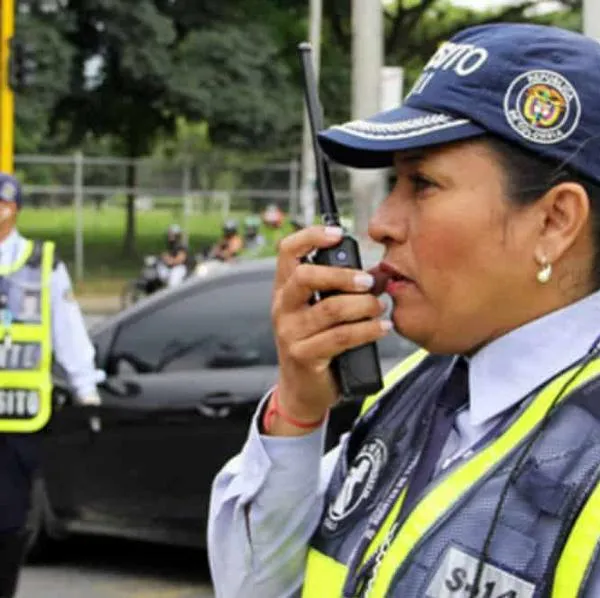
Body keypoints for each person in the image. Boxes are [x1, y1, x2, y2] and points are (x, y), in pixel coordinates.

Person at [207, 23, 600, 598]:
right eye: (395, 182)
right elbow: (254, 588)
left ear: (554, 221)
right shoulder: (417, 387)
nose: (381, 224)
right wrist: (296, 411)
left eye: (422, 183)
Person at [0, 173, 105, 597]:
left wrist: (86, 387)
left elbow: (68, 331)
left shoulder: (41, 262)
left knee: (7, 522)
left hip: (19, 417)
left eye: (4, 204)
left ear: (16, 209)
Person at [158, 224, 189, 288]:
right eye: (169, 233)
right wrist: (164, 257)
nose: (169, 235)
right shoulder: (172, 245)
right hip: (171, 268)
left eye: (171, 233)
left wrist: (169, 260)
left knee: (172, 286)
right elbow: (167, 256)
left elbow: (180, 259)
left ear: (176, 235)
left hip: (178, 268)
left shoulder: (181, 246)